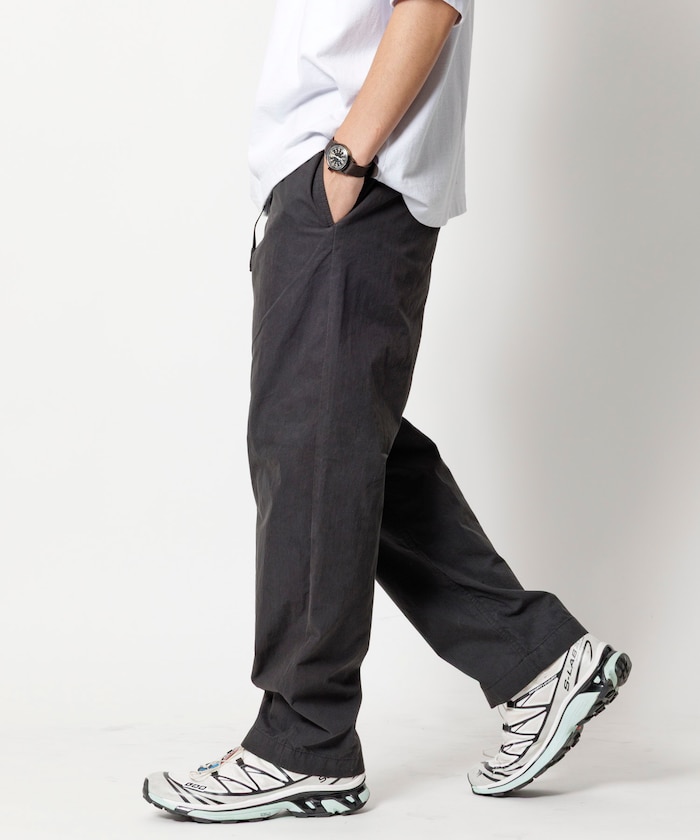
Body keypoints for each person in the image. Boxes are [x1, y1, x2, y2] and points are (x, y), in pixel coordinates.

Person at [143, 0, 631, 822]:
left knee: (315, 444)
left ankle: (304, 741)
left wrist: (344, 161)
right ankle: (537, 661)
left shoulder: (348, 171)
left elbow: (429, 8)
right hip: (324, 188)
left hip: (353, 184)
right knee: (339, 441)